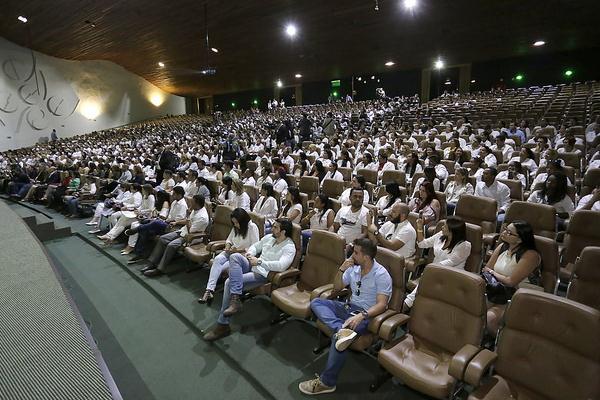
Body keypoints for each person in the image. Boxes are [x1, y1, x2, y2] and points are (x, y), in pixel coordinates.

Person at [298, 238, 392, 395]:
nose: (351, 255)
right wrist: (341, 269)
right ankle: (340, 329)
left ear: (366, 257)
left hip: (365, 314)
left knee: (337, 339)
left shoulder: (381, 275)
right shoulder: (353, 267)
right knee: (317, 302)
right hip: (347, 307)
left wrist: (362, 316)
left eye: (355, 253)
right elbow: (336, 287)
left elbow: (382, 304)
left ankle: (327, 383)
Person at [203, 219, 296, 341]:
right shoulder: (269, 237)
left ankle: (223, 325)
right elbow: (255, 246)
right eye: (273, 226)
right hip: (253, 265)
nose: (272, 229)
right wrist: (250, 254)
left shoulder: (289, 247)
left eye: (275, 227)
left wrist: (259, 261)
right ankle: (235, 299)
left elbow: (281, 265)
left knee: (228, 283)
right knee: (235, 256)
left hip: (263, 274)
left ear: (283, 231)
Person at [484, 221, 540, 336]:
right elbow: (486, 270)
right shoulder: (502, 247)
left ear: (519, 239)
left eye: (509, 232)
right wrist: (493, 273)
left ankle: (502, 344)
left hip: (518, 296)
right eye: (505, 229)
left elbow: (511, 281)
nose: (504, 233)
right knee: (472, 308)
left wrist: (493, 272)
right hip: (496, 291)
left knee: (489, 319)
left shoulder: (530, 255)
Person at [404, 216, 471, 308]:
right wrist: (419, 227)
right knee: (424, 284)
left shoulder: (465, 246)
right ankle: (408, 304)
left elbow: (450, 262)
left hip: (452, 275)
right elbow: (422, 244)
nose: (442, 227)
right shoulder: (441, 235)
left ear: (452, 231)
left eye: (445, 226)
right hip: (434, 272)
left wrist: (430, 270)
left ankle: (407, 304)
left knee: (425, 283)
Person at [198, 208, 260, 305]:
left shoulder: (252, 227)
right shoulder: (235, 227)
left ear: (243, 221)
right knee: (217, 259)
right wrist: (227, 247)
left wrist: (238, 250)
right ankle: (209, 290)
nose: (235, 225)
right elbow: (229, 240)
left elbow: (255, 247)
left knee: (221, 267)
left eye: (237, 223)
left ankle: (210, 291)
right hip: (231, 252)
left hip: (242, 256)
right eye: (234, 223)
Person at [142, 194, 209, 277]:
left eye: (192, 202)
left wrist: (187, 216)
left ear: (197, 203)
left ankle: (160, 269)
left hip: (191, 237)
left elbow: (190, 230)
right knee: (162, 239)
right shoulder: (196, 209)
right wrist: (177, 222)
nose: (190, 204)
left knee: (171, 245)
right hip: (183, 231)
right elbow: (188, 223)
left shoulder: (202, 217)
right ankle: (152, 262)